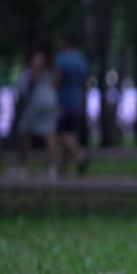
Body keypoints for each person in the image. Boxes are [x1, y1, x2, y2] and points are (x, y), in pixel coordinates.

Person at [12, 50, 60, 180]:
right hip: (51, 102)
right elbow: (56, 86)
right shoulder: (51, 73)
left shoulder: (29, 74)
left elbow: (22, 92)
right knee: (50, 135)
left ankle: (22, 168)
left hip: (35, 103)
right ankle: (51, 170)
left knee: (25, 132)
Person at [53, 35, 91, 174]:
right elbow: (86, 84)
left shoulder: (61, 60)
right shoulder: (81, 60)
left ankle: (80, 155)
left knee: (61, 133)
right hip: (77, 101)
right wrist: (83, 100)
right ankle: (62, 169)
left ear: (65, 43)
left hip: (63, 102)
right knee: (70, 133)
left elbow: (57, 80)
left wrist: (54, 99)